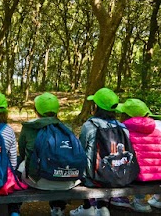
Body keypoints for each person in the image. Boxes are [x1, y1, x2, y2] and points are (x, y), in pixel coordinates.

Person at [18, 92, 81, 216]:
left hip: (39, 181)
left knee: (21, 162)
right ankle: (58, 208)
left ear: (36, 110)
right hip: (67, 179)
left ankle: (14, 208)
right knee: (58, 162)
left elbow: (22, 150)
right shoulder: (66, 128)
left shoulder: (29, 127)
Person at [70, 88, 125, 216]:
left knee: (83, 166)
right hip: (118, 176)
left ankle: (88, 206)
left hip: (93, 179)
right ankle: (102, 207)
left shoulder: (90, 125)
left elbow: (81, 151)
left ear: (96, 106)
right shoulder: (122, 127)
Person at [109, 98, 161, 212]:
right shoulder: (157, 130)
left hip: (135, 177)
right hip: (158, 177)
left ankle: (138, 201)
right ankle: (149, 200)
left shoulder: (124, 131)